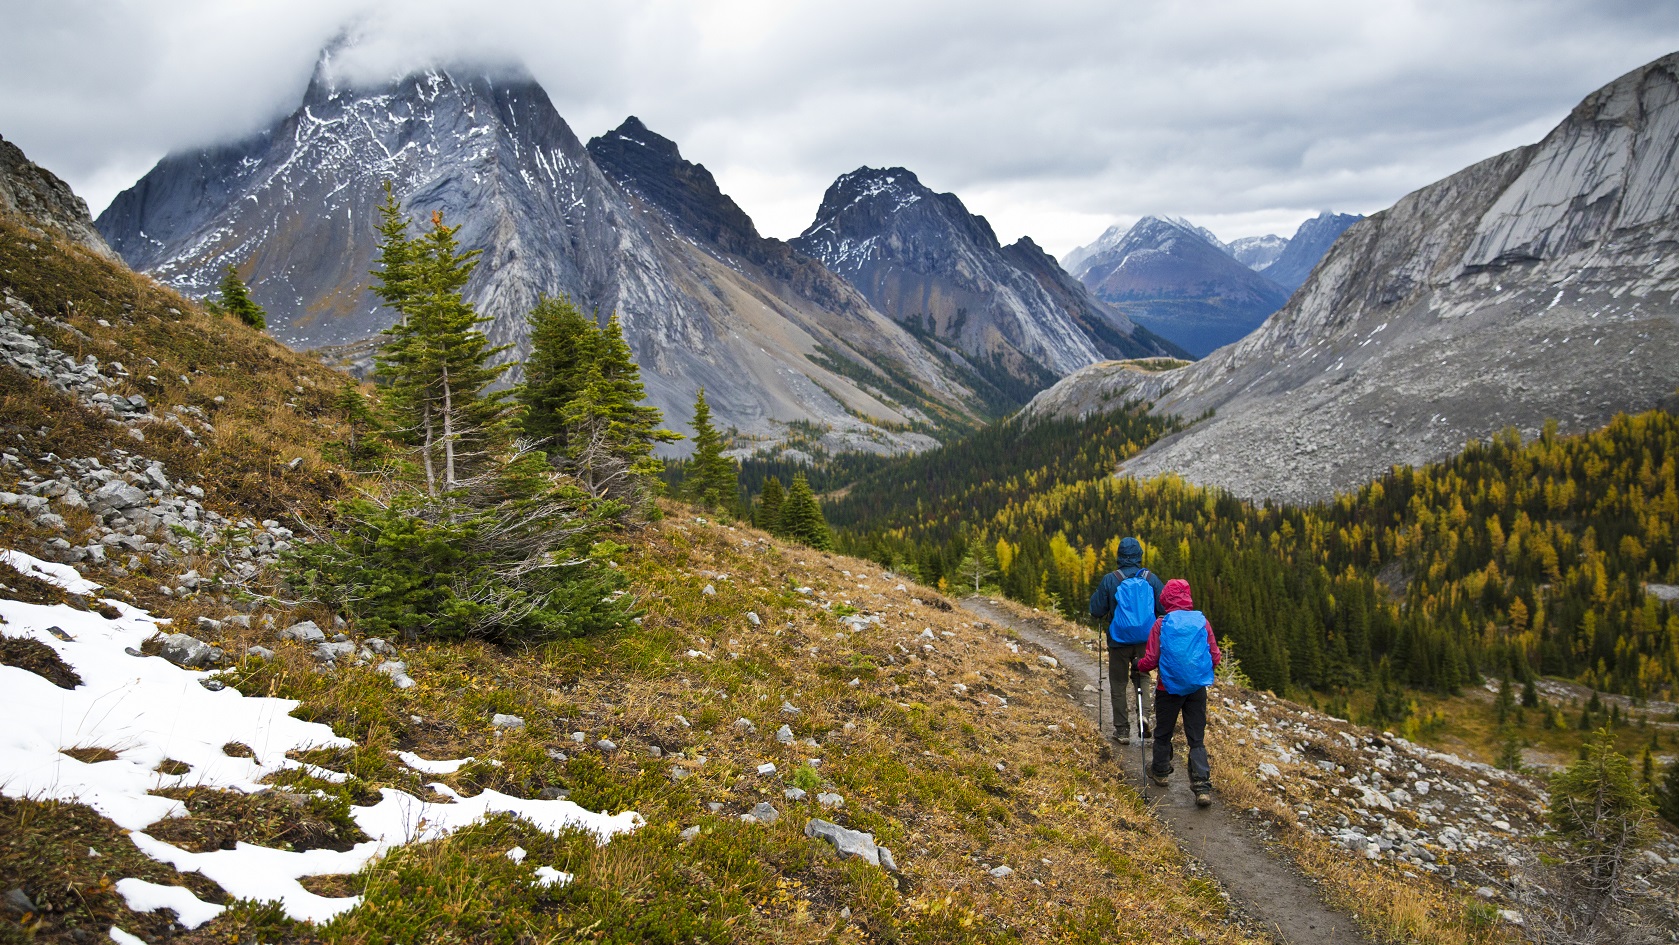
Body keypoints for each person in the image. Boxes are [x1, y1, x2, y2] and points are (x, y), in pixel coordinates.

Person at [1135, 578, 1221, 807]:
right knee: (1196, 739)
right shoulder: (1202, 622)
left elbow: (1151, 660)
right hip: (1196, 688)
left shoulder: (1162, 624)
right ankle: (1202, 787)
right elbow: (1215, 656)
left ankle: (1161, 772)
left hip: (1168, 688)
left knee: (1164, 732)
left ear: (1165, 599)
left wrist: (1138, 666)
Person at [1087, 536, 1165, 744]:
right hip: (1145, 641)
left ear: (1119, 556)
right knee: (1143, 677)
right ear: (1139, 555)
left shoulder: (1111, 579)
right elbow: (1164, 608)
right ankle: (1144, 717)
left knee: (1118, 683)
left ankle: (1122, 731)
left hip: (1119, 642)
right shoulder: (1150, 579)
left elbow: (1096, 610)